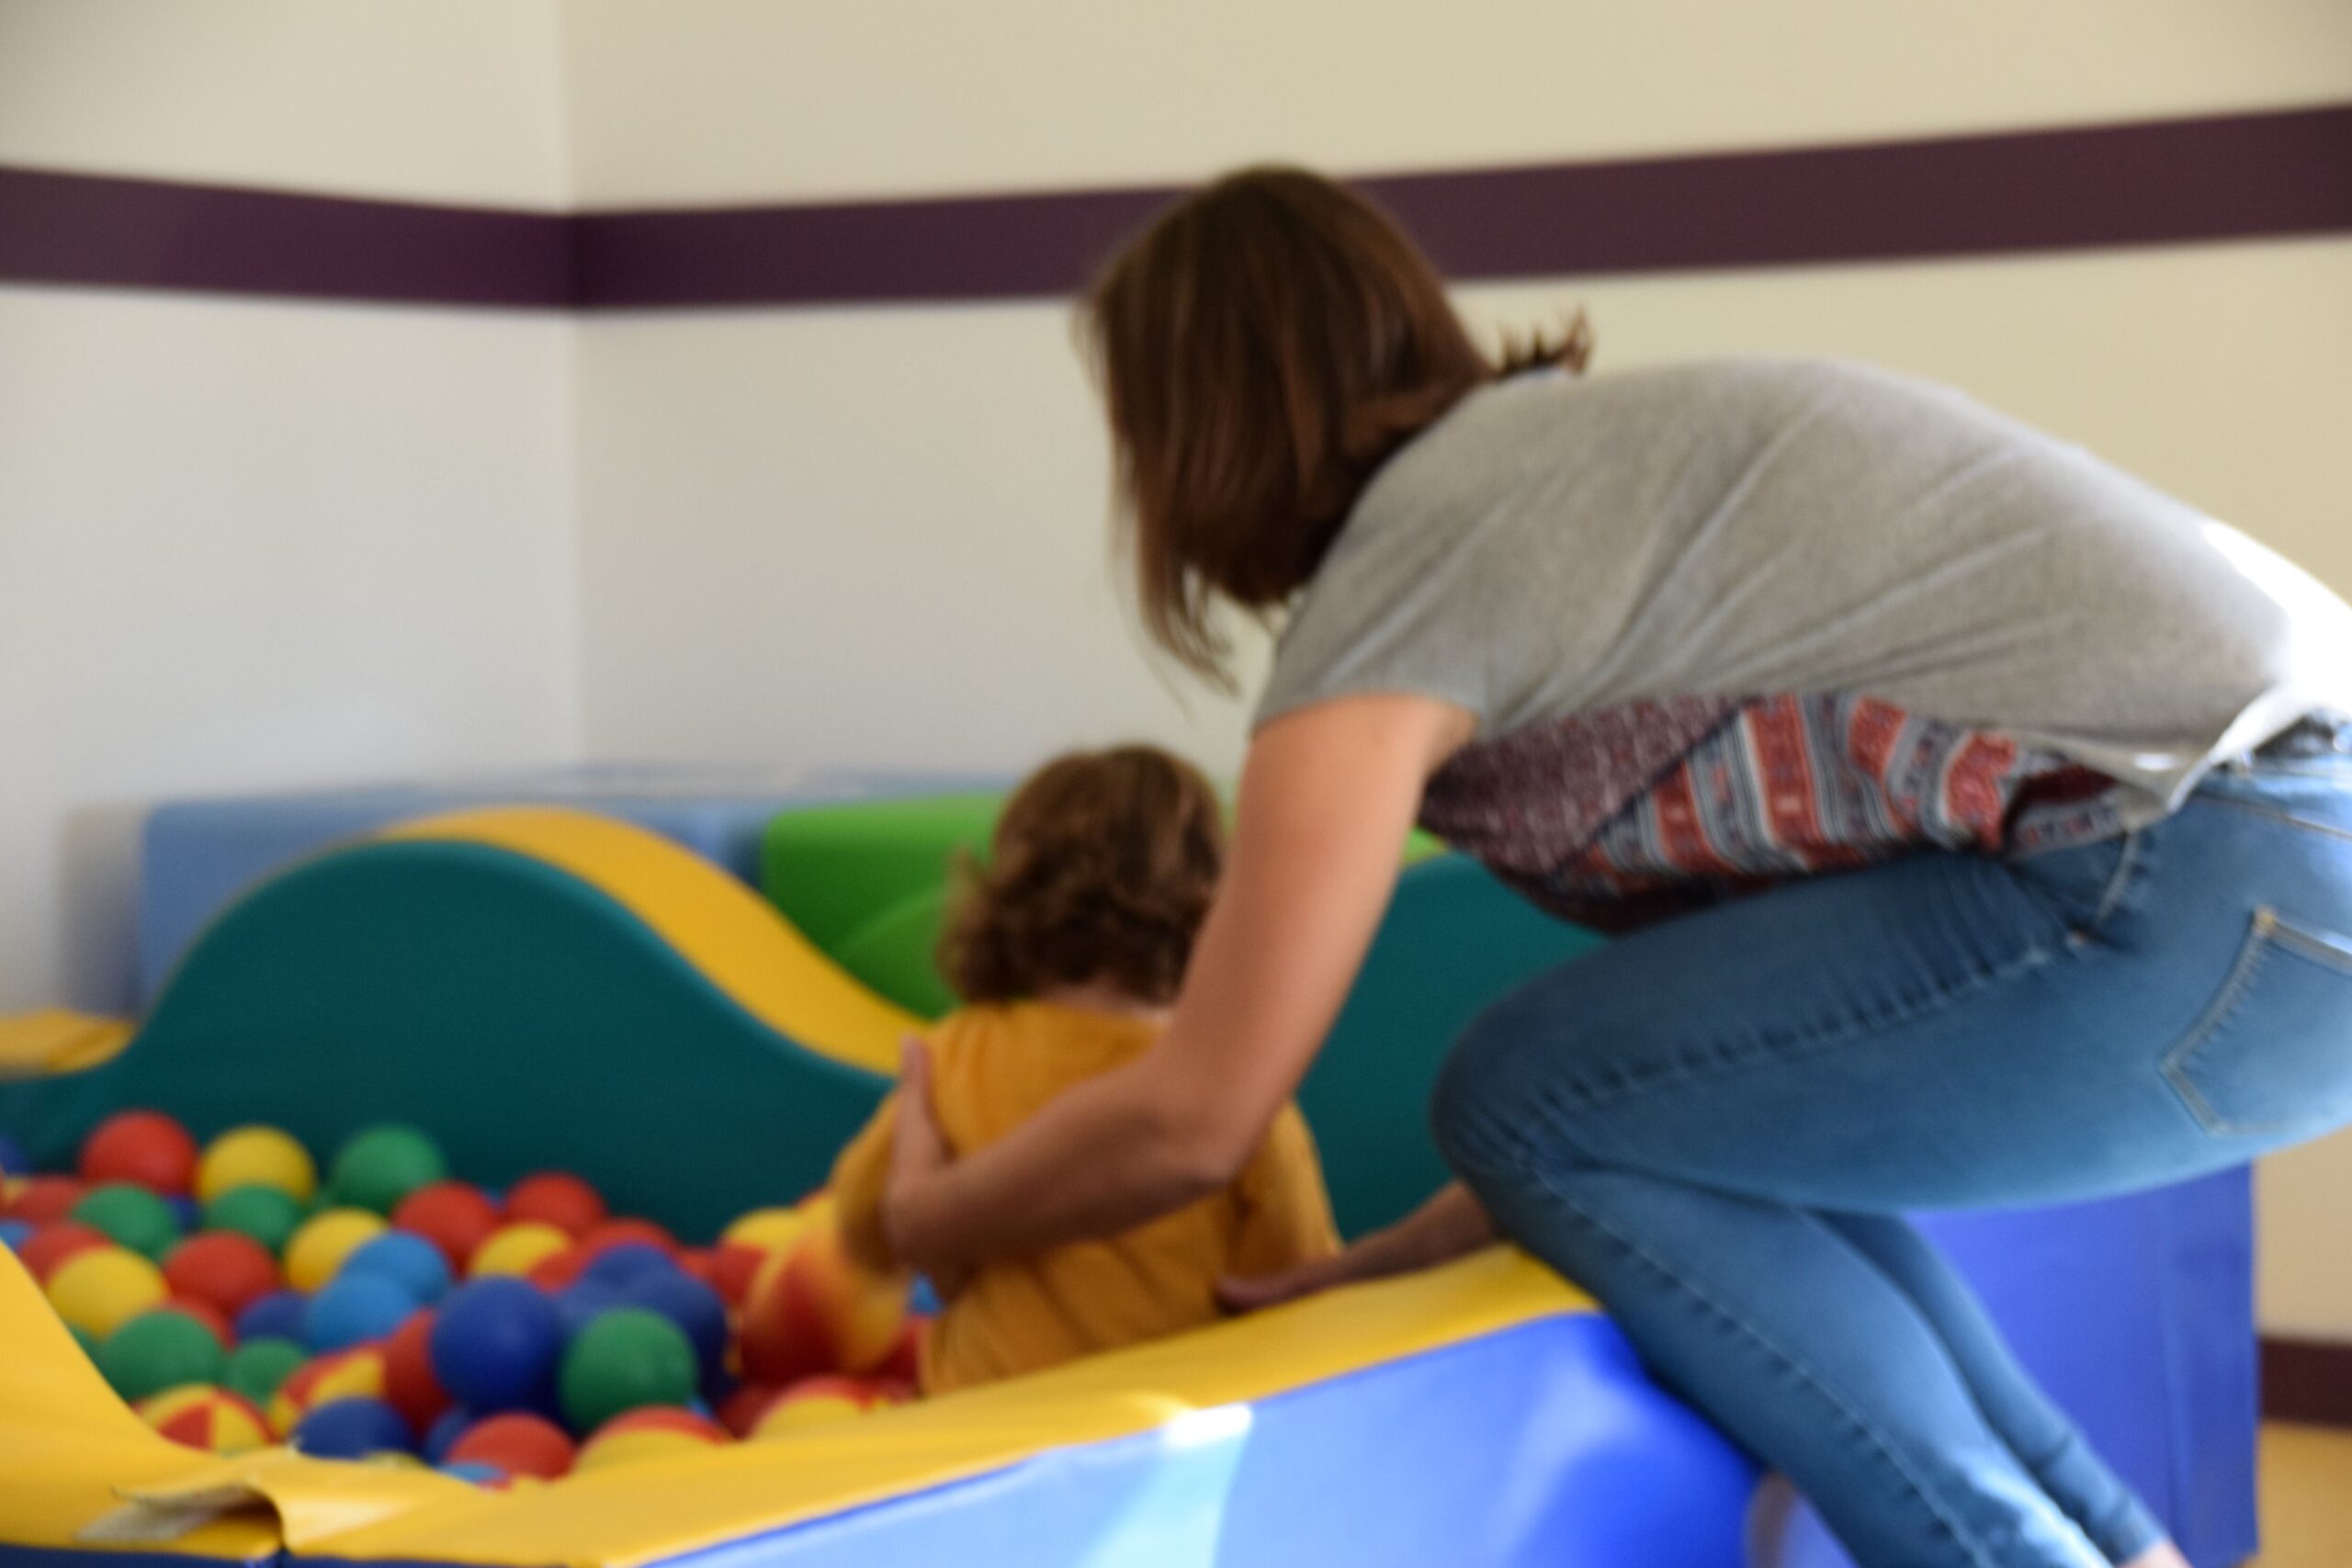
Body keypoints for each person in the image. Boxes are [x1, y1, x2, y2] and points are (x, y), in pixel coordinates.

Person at [874, 167, 2352, 1567]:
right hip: (2282, 861)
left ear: (1196, 433)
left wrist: (920, 1219)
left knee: (1503, 1080)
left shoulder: (1415, 562)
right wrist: (1427, 1244)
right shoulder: (1566, 486)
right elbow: (1703, 1089)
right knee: (1713, 1135)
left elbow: (1201, 1109)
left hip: (2208, 859)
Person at [830, 744, 1338, 1394]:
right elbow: (1296, 1281)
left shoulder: (957, 1055)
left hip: (977, 1436)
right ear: (1213, 913)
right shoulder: (1233, 1093)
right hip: (1161, 1433)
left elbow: (866, 1225)